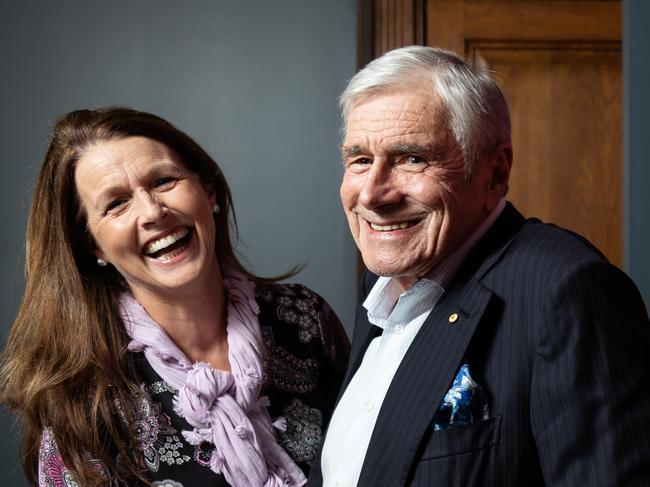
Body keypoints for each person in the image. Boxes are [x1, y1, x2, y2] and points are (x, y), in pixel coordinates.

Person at [308, 46, 650, 486]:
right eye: (359, 160)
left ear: (494, 173)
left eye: (412, 158)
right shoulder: (384, 278)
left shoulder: (566, 290)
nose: (373, 195)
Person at [0, 107, 349, 486]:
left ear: (208, 191)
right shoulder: (79, 401)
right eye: (116, 203)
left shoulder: (307, 321)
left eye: (164, 180)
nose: (152, 212)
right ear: (92, 245)